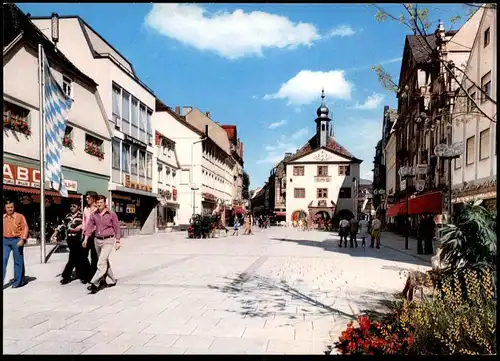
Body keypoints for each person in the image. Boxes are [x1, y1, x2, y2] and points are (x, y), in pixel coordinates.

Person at [83, 195, 120, 294]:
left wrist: (118, 241)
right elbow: (89, 228)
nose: (99, 204)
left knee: (101, 262)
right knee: (104, 262)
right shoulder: (94, 215)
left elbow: (116, 227)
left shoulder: (111, 214)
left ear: (105, 203)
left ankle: (95, 282)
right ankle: (112, 280)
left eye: (101, 202)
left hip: (108, 240)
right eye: (97, 202)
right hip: (97, 240)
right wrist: (86, 239)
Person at [52, 201, 91, 285]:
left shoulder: (82, 215)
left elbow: (86, 224)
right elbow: (63, 225)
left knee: (77, 257)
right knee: (76, 257)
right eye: (71, 206)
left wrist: (81, 227)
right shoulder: (68, 216)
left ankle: (67, 276)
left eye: (74, 206)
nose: (72, 207)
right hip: (70, 238)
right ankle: (83, 275)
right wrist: (56, 232)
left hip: (79, 238)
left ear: (78, 207)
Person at [3, 199, 29, 288]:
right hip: (5, 241)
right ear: (5, 208)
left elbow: (25, 227)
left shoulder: (20, 216)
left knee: (18, 261)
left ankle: (18, 281)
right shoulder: (3, 217)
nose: (10, 209)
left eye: (11, 207)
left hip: (17, 240)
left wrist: (22, 239)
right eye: (8, 207)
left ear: (14, 207)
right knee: (3, 259)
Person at [82, 191, 99, 277]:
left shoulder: (98, 208)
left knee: (94, 256)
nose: (87, 199)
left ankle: (93, 275)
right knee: (83, 255)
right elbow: (84, 222)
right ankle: (87, 273)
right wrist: (83, 233)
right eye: (86, 198)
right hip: (86, 235)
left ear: (93, 199)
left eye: (88, 198)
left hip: (95, 235)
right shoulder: (85, 208)